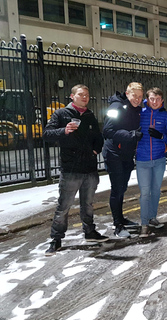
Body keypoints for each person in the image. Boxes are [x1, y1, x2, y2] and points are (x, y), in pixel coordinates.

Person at [43, 84, 107, 255]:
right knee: (64, 206)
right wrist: (64, 130)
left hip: (90, 169)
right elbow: (47, 134)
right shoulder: (61, 114)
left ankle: (90, 232)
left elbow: (99, 138)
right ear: (72, 96)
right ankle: (56, 239)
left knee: (87, 204)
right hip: (71, 168)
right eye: (81, 94)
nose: (84, 97)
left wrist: (96, 149)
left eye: (87, 95)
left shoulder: (90, 115)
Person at [103, 82, 144, 238]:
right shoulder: (116, 107)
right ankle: (118, 225)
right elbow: (107, 130)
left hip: (127, 154)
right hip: (114, 153)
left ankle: (120, 218)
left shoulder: (138, 109)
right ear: (127, 94)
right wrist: (131, 135)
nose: (137, 99)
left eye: (140, 97)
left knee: (122, 188)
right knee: (117, 188)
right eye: (135, 96)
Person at [136, 87, 167, 237]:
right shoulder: (140, 114)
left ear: (162, 100)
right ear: (147, 99)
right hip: (142, 159)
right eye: (152, 99)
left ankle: (152, 217)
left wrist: (161, 137)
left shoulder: (166, 116)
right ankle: (144, 223)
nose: (155, 102)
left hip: (159, 159)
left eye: (158, 99)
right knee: (145, 193)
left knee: (156, 191)